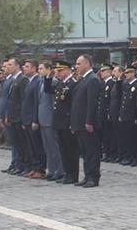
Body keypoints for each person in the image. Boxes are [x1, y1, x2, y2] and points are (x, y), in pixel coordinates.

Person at [70, 55, 102, 188]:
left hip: (87, 123)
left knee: (91, 151)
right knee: (84, 151)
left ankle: (93, 177)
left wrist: (89, 121)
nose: (76, 66)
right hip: (79, 122)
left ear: (87, 64)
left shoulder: (92, 79)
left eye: (78, 64)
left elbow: (92, 103)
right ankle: (87, 175)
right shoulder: (83, 79)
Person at [47, 60, 79, 184]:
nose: (58, 73)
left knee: (71, 150)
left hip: (67, 121)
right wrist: (49, 78)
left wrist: (72, 122)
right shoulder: (61, 83)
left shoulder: (72, 83)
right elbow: (49, 90)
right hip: (59, 122)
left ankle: (73, 174)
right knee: (63, 149)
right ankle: (67, 173)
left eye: (60, 71)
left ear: (68, 70)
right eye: (57, 71)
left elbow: (73, 105)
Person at [37, 61, 64, 182]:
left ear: (49, 69)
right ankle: (51, 169)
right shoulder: (41, 82)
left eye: (41, 68)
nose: (39, 71)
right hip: (43, 118)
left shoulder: (53, 82)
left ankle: (59, 170)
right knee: (47, 147)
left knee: (54, 147)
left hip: (50, 118)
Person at [6, 59, 31, 176]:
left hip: (19, 117)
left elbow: (23, 100)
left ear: (17, 66)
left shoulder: (22, 80)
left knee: (23, 143)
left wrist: (22, 117)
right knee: (17, 143)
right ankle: (19, 165)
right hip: (13, 116)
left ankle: (25, 166)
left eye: (10, 65)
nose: (8, 67)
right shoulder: (14, 80)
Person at [21, 60, 46, 179]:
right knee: (31, 146)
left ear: (34, 68)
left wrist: (35, 119)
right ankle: (34, 167)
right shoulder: (29, 82)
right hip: (26, 118)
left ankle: (40, 169)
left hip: (33, 118)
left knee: (37, 146)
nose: (24, 68)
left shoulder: (37, 82)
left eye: (27, 66)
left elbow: (36, 102)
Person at [117, 63, 137, 167]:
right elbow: (121, 99)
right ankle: (128, 156)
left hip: (132, 116)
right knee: (126, 138)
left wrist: (136, 117)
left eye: (128, 73)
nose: (125, 75)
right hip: (124, 114)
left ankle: (136, 158)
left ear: (133, 73)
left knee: (134, 139)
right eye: (125, 73)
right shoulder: (125, 84)